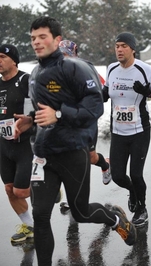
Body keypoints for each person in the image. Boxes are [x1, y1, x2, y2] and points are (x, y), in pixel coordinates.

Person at [14, 16, 136, 265]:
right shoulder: (36, 72)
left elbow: (94, 108)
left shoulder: (74, 68)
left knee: (80, 212)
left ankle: (114, 219)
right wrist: (29, 120)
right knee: (40, 215)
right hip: (43, 155)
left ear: (57, 40)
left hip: (72, 153)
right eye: (33, 38)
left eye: (42, 37)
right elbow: (41, 110)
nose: (36, 42)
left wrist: (58, 115)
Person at [102, 32, 151, 227]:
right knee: (119, 176)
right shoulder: (112, 69)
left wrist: (147, 92)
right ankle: (133, 191)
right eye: (117, 46)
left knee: (136, 174)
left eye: (123, 46)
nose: (119, 50)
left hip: (139, 131)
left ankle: (141, 208)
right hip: (118, 132)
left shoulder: (143, 69)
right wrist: (101, 94)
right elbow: (107, 92)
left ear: (132, 49)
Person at [58, 39, 111, 185]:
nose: (63, 58)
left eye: (65, 54)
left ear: (74, 54)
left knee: (90, 156)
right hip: (66, 120)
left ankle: (105, 165)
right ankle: (65, 191)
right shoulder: (54, 69)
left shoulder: (85, 67)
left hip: (86, 120)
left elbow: (99, 91)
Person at [0, 44, 34, 244]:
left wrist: (27, 122)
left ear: (14, 60)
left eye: (3, 56)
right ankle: (29, 226)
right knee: (9, 189)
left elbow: (33, 112)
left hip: (24, 144)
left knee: (21, 191)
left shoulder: (25, 80)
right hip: (4, 147)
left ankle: (48, 186)